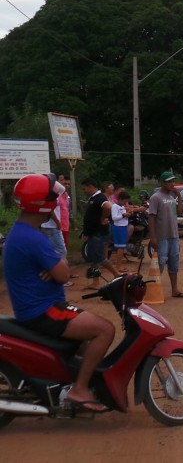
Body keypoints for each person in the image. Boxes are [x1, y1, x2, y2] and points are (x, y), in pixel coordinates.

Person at [3, 174, 115, 413]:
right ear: (43, 204)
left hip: (34, 308)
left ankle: (82, 382)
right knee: (104, 330)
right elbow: (64, 275)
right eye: (53, 196)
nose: (56, 199)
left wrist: (57, 263)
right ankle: (79, 389)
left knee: (87, 344)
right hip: (44, 311)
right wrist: (58, 265)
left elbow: (60, 265)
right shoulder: (32, 238)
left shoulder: (23, 232)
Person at [148, 171, 183, 298]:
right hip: (162, 236)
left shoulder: (172, 197)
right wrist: (153, 237)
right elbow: (151, 217)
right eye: (169, 181)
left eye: (173, 181)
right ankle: (153, 290)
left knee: (174, 262)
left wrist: (179, 197)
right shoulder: (156, 197)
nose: (172, 184)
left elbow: (180, 213)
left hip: (174, 236)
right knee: (160, 263)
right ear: (162, 183)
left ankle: (175, 290)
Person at [80, 177, 121, 289]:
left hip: (98, 232)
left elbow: (107, 207)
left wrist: (103, 218)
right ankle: (95, 282)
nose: (84, 191)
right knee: (95, 258)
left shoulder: (99, 197)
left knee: (98, 257)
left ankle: (117, 274)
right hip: (94, 232)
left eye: (85, 189)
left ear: (90, 186)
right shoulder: (94, 198)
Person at [110, 191, 145, 271]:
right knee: (120, 247)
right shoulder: (115, 206)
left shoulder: (121, 207)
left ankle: (119, 265)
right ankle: (118, 266)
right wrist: (124, 215)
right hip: (119, 227)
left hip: (123, 227)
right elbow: (114, 218)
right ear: (120, 199)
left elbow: (123, 216)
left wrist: (128, 213)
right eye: (125, 201)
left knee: (122, 247)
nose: (126, 203)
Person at [57, 174, 71, 250]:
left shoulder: (66, 195)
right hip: (57, 226)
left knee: (65, 248)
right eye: (64, 182)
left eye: (68, 184)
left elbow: (68, 211)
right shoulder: (56, 195)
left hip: (66, 226)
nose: (66, 185)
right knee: (60, 249)